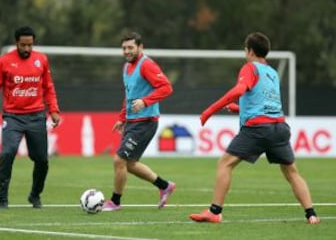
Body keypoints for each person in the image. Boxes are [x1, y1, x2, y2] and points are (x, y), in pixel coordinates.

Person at [189, 32, 320, 224]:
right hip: (279, 127)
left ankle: (215, 212)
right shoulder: (272, 73)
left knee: (225, 164)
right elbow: (264, 103)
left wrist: (210, 110)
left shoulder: (249, 68)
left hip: (258, 129)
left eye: (245, 49)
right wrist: (238, 109)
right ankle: (312, 215)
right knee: (291, 172)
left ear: (250, 50)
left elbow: (239, 91)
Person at [0, 26, 60, 209]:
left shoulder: (41, 60)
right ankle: (2, 198)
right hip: (13, 117)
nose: (26, 49)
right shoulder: (4, 62)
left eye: (30, 45)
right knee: (7, 153)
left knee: (41, 159)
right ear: (16, 43)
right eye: (23, 45)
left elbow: (48, 87)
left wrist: (54, 110)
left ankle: (35, 195)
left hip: (37, 116)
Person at [102, 32, 176, 211]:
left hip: (145, 122)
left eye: (130, 47)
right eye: (124, 48)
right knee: (129, 164)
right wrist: (122, 118)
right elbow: (129, 95)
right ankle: (165, 186)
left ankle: (115, 202)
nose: (127, 51)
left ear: (140, 47)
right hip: (132, 121)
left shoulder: (147, 65)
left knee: (119, 160)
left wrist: (145, 101)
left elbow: (167, 87)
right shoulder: (126, 67)